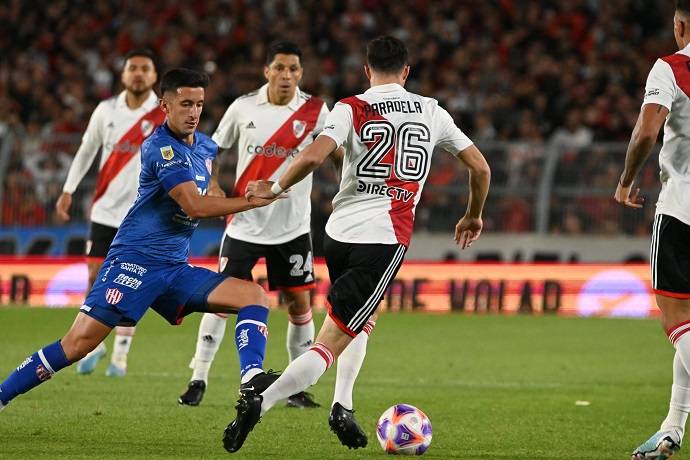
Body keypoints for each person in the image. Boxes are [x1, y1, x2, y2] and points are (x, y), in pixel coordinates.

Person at [222, 35, 491, 453]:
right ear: (406, 71)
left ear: (367, 70)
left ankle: (342, 404)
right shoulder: (431, 110)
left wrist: (274, 187)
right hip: (383, 238)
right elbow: (479, 166)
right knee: (331, 339)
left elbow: (313, 157)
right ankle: (263, 399)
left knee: (362, 317)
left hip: (338, 233)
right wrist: (473, 214)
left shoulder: (350, 107)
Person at [0, 68, 284, 414]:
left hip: (173, 269)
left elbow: (207, 188)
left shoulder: (206, 146)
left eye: (199, 104)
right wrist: (248, 201)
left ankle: (252, 379)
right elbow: (192, 204)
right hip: (133, 261)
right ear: (164, 105)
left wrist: (225, 192)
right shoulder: (160, 148)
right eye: (184, 104)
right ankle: (2, 395)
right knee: (77, 345)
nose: (193, 112)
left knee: (253, 295)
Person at [178, 41, 331, 409]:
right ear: (267, 71)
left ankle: (293, 386)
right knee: (220, 302)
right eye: (279, 68)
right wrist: (211, 183)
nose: (286, 75)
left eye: (293, 69)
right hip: (243, 225)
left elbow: (335, 149)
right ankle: (198, 377)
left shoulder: (315, 111)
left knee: (298, 304)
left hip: (292, 227)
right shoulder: (243, 106)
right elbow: (209, 150)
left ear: (300, 74)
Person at [55, 49, 164, 377]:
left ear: (155, 76)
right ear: (123, 74)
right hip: (104, 210)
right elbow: (87, 149)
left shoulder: (162, 114)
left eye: (145, 68)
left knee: (132, 282)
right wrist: (68, 190)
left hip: (142, 214)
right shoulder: (106, 111)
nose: (138, 74)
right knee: (94, 278)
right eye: (133, 68)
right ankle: (97, 345)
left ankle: (120, 357)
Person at [615, 2, 690, 459]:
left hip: (683, 209)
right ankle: (672, 428)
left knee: (677, 320)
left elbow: (646, 132)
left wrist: (625, 180)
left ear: (680, 25)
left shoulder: (672, 67)